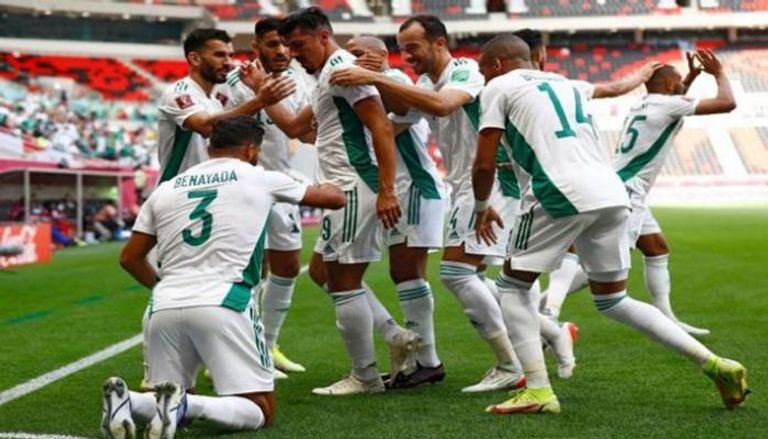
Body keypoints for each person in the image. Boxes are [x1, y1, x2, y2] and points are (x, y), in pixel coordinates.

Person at [471, 34, 748, 414]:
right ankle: (715, 364)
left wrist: (481, 207)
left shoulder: (498, 87)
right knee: (613, 299)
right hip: (611, 191)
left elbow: (484, 162)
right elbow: (614, 89)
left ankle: (537, 390)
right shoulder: (568, 83)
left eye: (484, 69)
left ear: (497, 65)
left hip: (558, 190)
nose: (483, 77)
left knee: (511, 287)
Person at [103, 116, 346, 438]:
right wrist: (333, 177)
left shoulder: (167, 188)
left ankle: (131, 402)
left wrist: (161, 287)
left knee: (164, 394)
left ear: (209, 147)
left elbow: (130, 258)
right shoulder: (259, 177)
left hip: (163, 304)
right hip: (225, 300)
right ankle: (182, 406)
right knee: (261, 410)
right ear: (250, 150)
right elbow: (335, 199)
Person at [329, 14, 524, 392]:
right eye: (402, 50)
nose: (407, 56)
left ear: (439, 43)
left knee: (458, 273)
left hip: (491, 182)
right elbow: (395, 123)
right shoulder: (422, 83)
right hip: (464, 186)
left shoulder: (464, 70)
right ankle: (539, 335)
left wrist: (376, 77)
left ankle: (511, 362)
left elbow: (442, 106)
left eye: (413, 48)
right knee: (468, 275)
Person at [265, 7, 419, 396]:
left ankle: (365, 376)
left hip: (353, 185)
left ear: (323, 36)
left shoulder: (340, 70)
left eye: (298, 45)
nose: (294, 54)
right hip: (342, 188)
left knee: (344, 281)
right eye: (288, 47)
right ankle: (394, 335)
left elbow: (381, 125)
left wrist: (387, 189)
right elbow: (296, 127)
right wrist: (259, 92)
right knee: (321, 271)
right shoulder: (326, 76)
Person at [345, 35, 447, 388]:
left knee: (407, 271)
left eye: (359, 53)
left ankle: (426, 361)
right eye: (349, 54)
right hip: (397, 189)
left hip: (413, 186)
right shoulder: (360, 88)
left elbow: (393, 120)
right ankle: (420, 357)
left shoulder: (396, 80)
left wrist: (373, 78)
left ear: (380, 55)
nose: (352, 59)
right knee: (402, 271)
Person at [216, 17, 315, 377]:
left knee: (287, 265)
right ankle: (234, 351)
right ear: (256, 46)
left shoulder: (297, 82)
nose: (282, 51)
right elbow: (217, 129)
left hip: (279, 183)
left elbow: (303, 133)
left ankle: (268, 345)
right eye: (273, 44)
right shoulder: (234, 82)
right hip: (241, 186)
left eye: (287, 44)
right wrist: (259, 97)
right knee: (246, 269)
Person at [611, 49, 736, 335]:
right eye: (678, 80)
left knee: (656, 249)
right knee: (607, 268)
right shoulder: (668, 105)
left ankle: (666, 317)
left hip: (624, 187)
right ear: (669, 84)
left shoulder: (646, 103)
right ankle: (548, 308)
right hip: (627, 192)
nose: (682, 84)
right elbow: (727, 103)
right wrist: (719, 73)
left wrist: (689, 77)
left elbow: (673, 100)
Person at [156, 27, 295, 183]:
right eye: (219, 55)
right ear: (195, 59)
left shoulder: (215, 103)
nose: (228, 63)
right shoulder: (179, 92)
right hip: (176, 190)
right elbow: (205, 126)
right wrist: (261, 100)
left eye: (230, 56)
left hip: (205, 188)